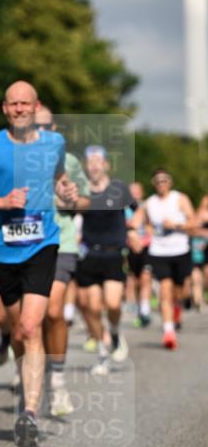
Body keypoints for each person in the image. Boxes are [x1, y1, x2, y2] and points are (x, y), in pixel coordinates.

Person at [0, 81, 78, 447]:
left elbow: (58, 178)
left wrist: (66, 190)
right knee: (16, 332)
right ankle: (28, 378)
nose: (21, 109)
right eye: (14, 104)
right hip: (3, 251)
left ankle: (29, 412)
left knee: (29, 326)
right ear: (5, 109)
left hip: (43, 244)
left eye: (26, 103)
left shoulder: (54, 143)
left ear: (36, 107)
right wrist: (0, 202)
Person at [34, 106, 91, 416]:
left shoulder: (69, 161)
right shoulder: (17, 159)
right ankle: (31, 369)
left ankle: (57, 381)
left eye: (46, 127)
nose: (41, 132)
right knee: (26, 320)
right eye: (35, 127)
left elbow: (86, 201)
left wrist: (73, 199)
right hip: (26, 244)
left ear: (54, 129)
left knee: (53, 310)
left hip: (62, 242)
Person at [76, 146, 136, 374]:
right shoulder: (81, 191)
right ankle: (102, 352)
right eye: (90, 161)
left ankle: (115, 331)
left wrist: (134, 229)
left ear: (106, 165)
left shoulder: (118, 188)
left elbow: (138, 210)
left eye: (98, 161)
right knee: (91, 308)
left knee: (112, 304)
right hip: (89, 253)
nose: (94, 165)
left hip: (113, 254)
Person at [131, 169, 196, 349]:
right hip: (159, 252)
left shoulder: (180, 199)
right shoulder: (149, 203)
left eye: (164, 180)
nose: (161, 183)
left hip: (180, 250)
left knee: (180, 292)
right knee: (165, 289)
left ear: (170, 182)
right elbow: (135, 222)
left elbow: (193, 221)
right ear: (154, 183)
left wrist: (176, 225)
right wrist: (133, 233)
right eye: (158, 181)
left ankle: (177, 308)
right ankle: (168, 332)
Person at [125, 181, 152, 326]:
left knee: (145, 278)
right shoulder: (123, 209)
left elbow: (152, 226)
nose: (134, 194)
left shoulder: (148, 206)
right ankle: (135, 308)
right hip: (129, 248)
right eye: (132, 192)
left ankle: (145, 310)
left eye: (137, 191)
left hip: (146, 246)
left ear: (142, 193)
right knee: (133, 280)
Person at [190, 194, 208, 311]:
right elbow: (190, 229)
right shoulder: (197, 215)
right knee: (196, 277)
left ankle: (200, 299)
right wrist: (202, 232)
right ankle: (198, 301)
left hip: (205, 250)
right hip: (197, 249)